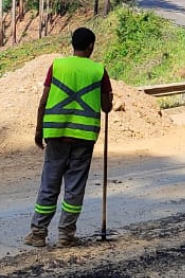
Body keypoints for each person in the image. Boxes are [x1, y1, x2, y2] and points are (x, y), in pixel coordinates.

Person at [24, 27, 113, 249]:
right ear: (91, 46)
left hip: (56, 134)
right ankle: (66, 236)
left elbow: (44, 101)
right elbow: (106, 107)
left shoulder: (57, 66)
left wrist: (38, 129)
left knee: (49, 184)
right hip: (83, 137)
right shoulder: (98, 70)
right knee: (74, 186)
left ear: (72, 44)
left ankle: (38, 234)